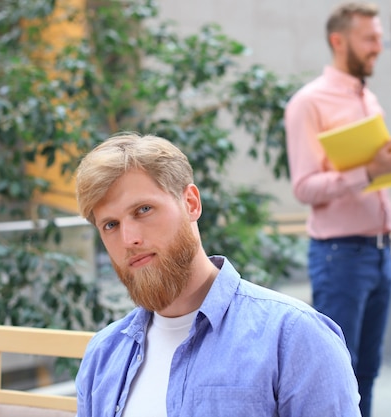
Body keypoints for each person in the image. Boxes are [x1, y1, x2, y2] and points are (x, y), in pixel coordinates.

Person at [73, 132, 362, 417]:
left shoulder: (293, 337)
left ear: (191, 204)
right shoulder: (103, 354)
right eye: (110, 225)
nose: (129, 239)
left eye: (143, 209)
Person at [283, 3, 391, 416]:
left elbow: (386, 172)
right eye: (370, 39)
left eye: (380, 38)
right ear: (339, 41)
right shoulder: (308, 103)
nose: (378, 48)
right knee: (336, 372)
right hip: (340, 256)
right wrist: (368, 170)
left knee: (367, 370)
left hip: (379, 250)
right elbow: (304, 187)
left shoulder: (367, 98)